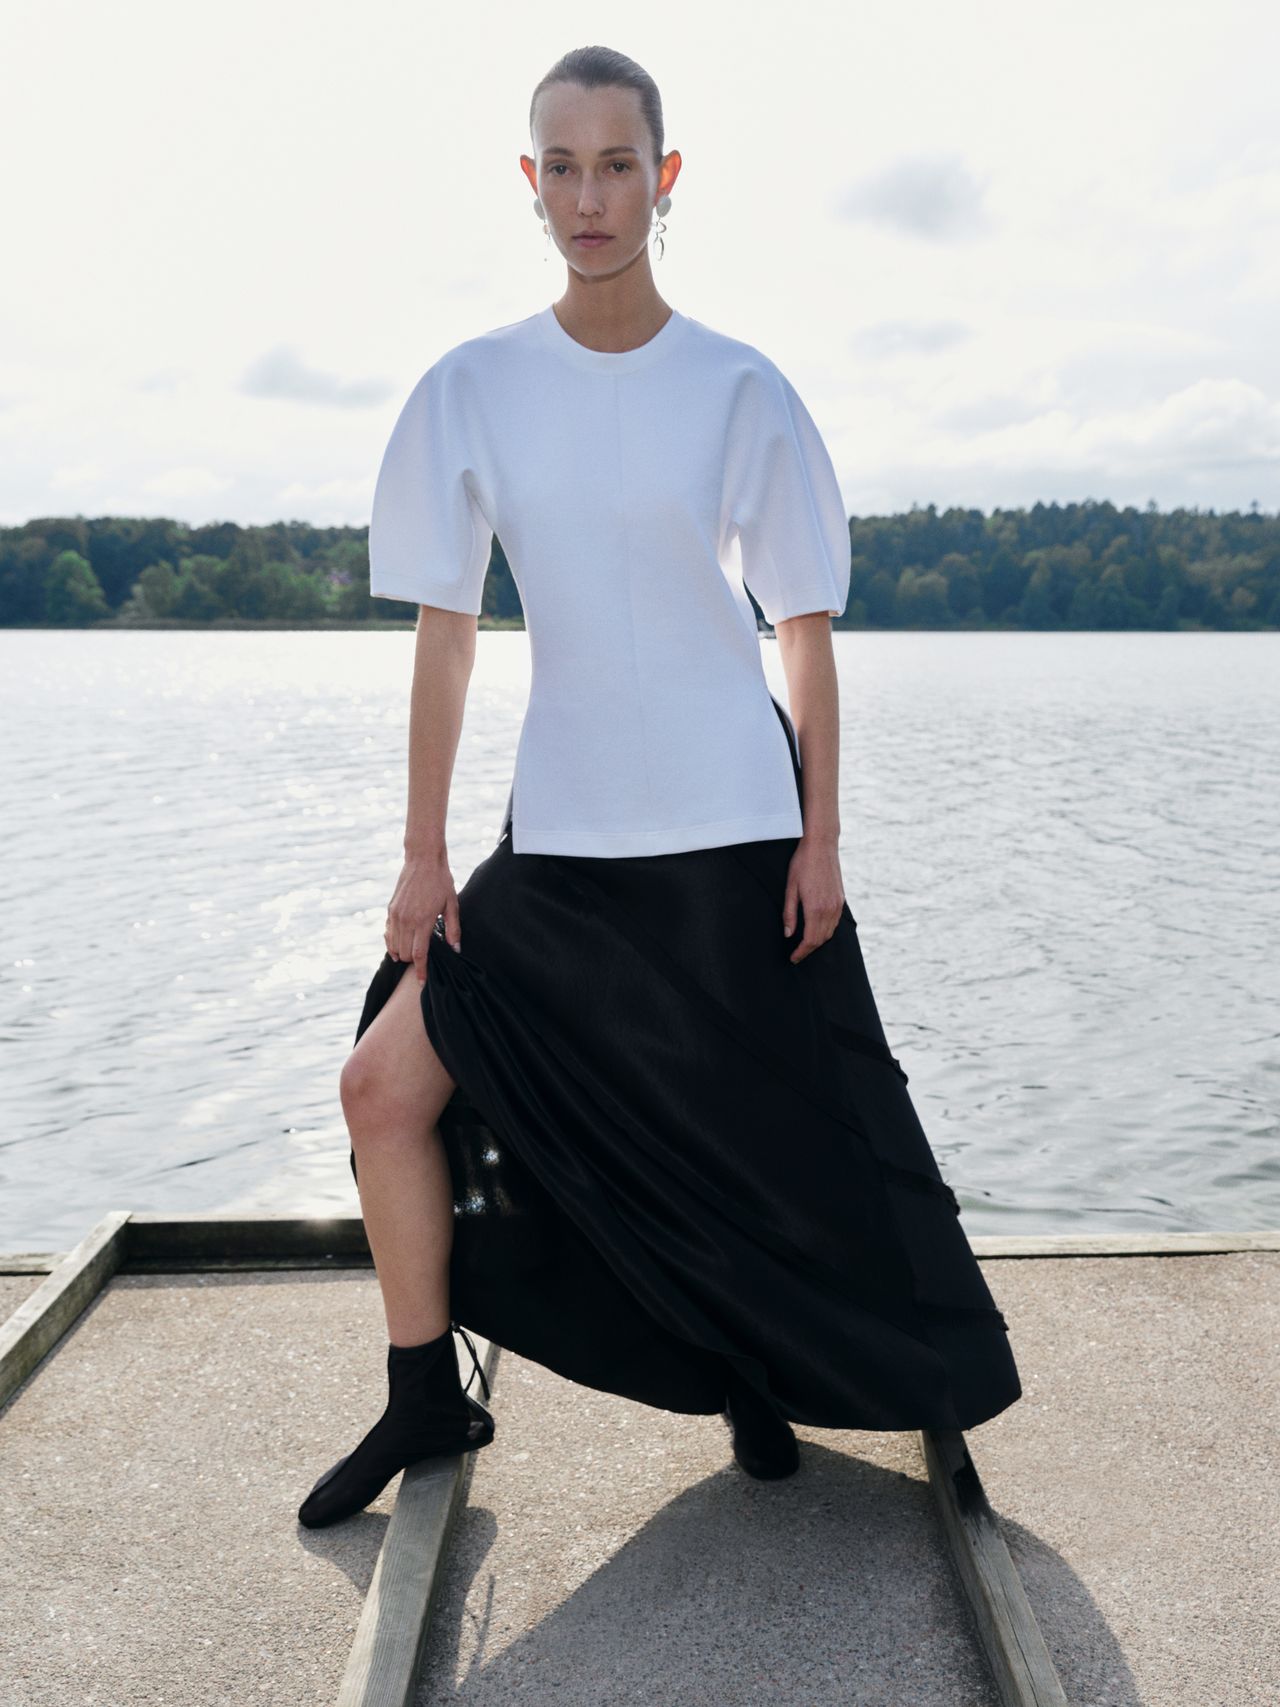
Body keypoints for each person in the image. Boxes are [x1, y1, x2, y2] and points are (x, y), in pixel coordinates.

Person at [298, 45, 1022, 1530]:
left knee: (794, 1137)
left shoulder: (739, 387)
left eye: (616, 164)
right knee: (383, 1084)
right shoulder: (473, 390)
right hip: (560, 841)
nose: (589, 196)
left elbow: (804, 635)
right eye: (560, 166)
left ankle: (868, 1386)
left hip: (735, 833)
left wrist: (823, 833)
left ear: (666, 178)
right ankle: (425, 1395)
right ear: (529, 183)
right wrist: (423, 854)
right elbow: (449, 638)